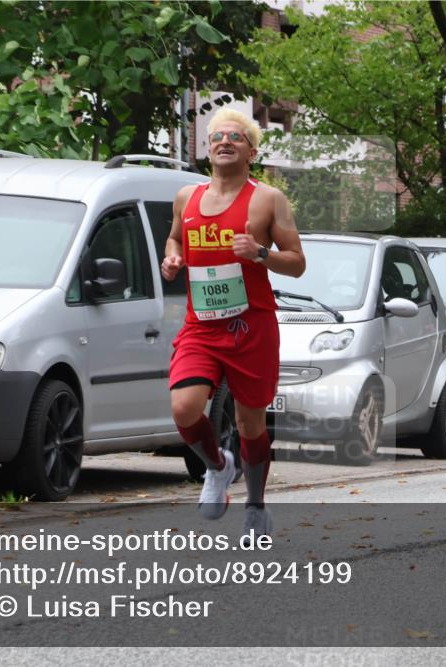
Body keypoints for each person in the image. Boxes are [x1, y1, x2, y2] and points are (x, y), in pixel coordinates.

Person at [161, 108, 305, 539]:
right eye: (218, 136)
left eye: (236, 137)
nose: (225, 141)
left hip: (250, 325)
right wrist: (173, 256)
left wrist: (261, 253)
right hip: (202, 325)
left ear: (251, 150)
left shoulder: (267, 200)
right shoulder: (187, 197)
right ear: (208, 147)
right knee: (184, 408)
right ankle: (219, 467)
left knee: (250, 424)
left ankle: (256, 507)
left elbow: (297, 263)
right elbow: (174, 237)